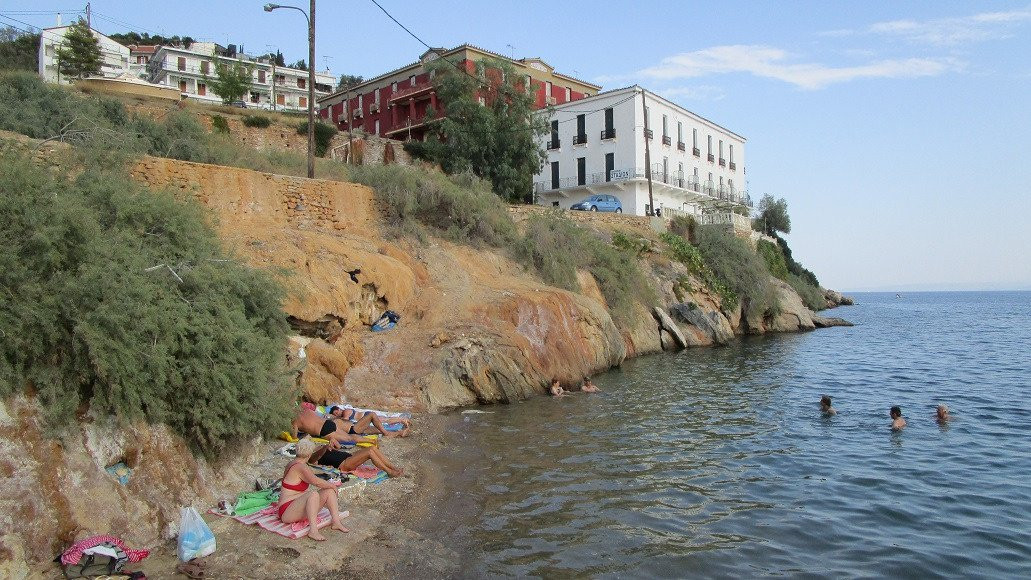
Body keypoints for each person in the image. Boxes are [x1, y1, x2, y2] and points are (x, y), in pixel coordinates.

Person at [277, 439, 350, 541]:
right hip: (286, 511)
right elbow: (316, 481)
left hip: (294, 504)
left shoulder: (294, 463)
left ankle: (336, 522)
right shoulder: (300, 467)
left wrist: (330, 487)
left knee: (328, 491)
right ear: (309, 454)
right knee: (314, 494)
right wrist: (333, 486)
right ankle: (313, 530)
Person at [310, 442, 404, 478]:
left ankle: (393, 467)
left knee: (372, 448)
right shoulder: (312, 456)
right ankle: (389, 472)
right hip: (344, 464)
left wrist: (331, 443)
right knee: (370, 453)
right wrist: (324, 448)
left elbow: (338, 447)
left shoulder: (319, 447)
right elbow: (313, 461)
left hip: (348, 456)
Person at [292, 406, 362, 447]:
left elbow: (294, 438)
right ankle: (371, 441)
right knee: (349, 436)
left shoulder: (295, 421)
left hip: (324, 431)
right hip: (328, 423)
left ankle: (370, 441)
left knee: (348, 440)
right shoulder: (307, 410)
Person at [327, 405, 410, 438]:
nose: (337, 414)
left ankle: (400, 429)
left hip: (358, 425)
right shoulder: (336, 420)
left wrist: (333, 418)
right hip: (355, 428)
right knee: (380, 424)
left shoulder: (345, 412)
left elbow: (346, 419)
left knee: (380, 426)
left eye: (337, 412)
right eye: (336, 414)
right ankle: (398, 430)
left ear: (339, 409)